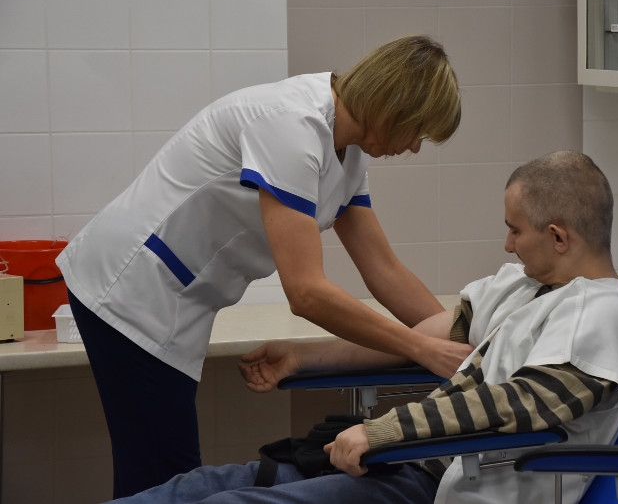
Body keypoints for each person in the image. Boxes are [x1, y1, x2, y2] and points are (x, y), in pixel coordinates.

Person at [56, 35, 469, 499]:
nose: (415, 147)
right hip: (131, 288)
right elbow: (306, 293)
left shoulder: (348, 150)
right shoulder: (290, 124)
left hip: (175, 300)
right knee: (162, 478)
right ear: (394, 107)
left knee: (166, 479)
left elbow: (384, 269)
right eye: (418, 132)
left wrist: (459, 337)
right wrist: (421, 347)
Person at [108, 150, 618, 504]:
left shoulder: (601, 315)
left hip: (446, 486)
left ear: (558, 237)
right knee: (197, 487)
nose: (507, 244)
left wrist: (384, 431)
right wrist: (305, 357)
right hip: (410, 465)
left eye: (515, 231)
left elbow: (517, 404)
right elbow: (423, 338)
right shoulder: (527, 286)